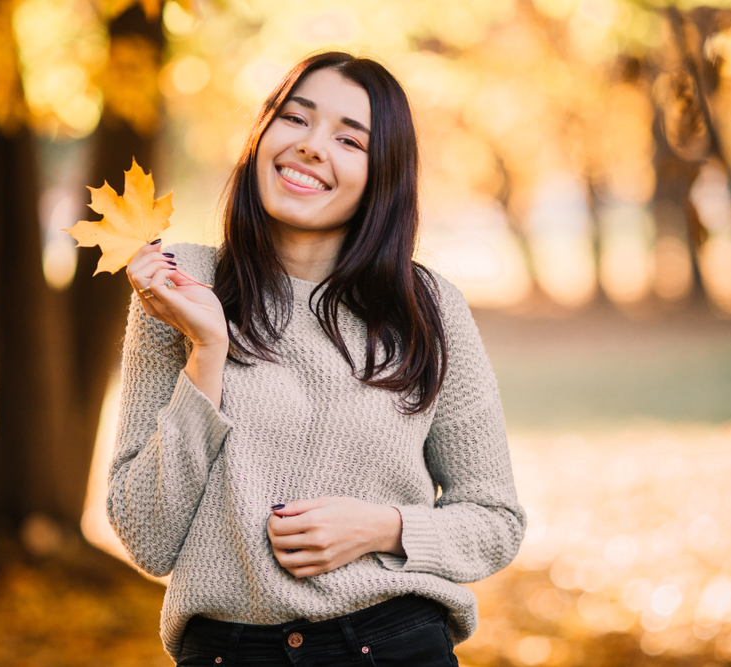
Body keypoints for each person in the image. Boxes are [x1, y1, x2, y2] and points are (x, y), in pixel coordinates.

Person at [107, 51, 526, 667]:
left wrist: (383, 528)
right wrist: (208, 351)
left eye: (348, 139)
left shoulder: (427, 310)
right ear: (261, 138)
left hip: (393, 645)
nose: (310, 146)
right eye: (295, 119)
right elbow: (147, 536)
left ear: (381, 176)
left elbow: (495, 520)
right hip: (230, 653)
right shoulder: (178, 288)